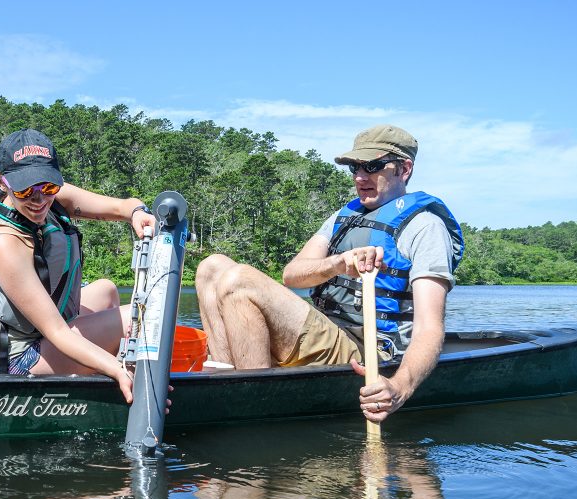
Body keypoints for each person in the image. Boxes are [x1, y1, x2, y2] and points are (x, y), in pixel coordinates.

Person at [194, 124, 463, 422]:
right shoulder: (344, 217)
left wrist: (399, 387)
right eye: (355, 167)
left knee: (239, 280)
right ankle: (224, 381)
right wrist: (336, 263)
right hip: (331, 330)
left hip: (371, 351)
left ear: (404, 169)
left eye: (373, 166)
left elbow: (430, 327)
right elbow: (292, 275)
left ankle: (255, 405)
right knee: (211, 267)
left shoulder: (425, 227)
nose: (361, 177)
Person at [0, 129, 156, 402]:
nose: (39, 200)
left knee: (107, 289)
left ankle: (111, 370)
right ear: (1, 183)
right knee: (140, 314)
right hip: (14, 363)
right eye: (25, 190)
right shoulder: (1, 241)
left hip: (41, 337)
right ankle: (140, 386)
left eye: (48, 187)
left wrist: (137, 212)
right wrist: (118, 370)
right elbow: (58, 333)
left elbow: (121, 206)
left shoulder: (49, 193)